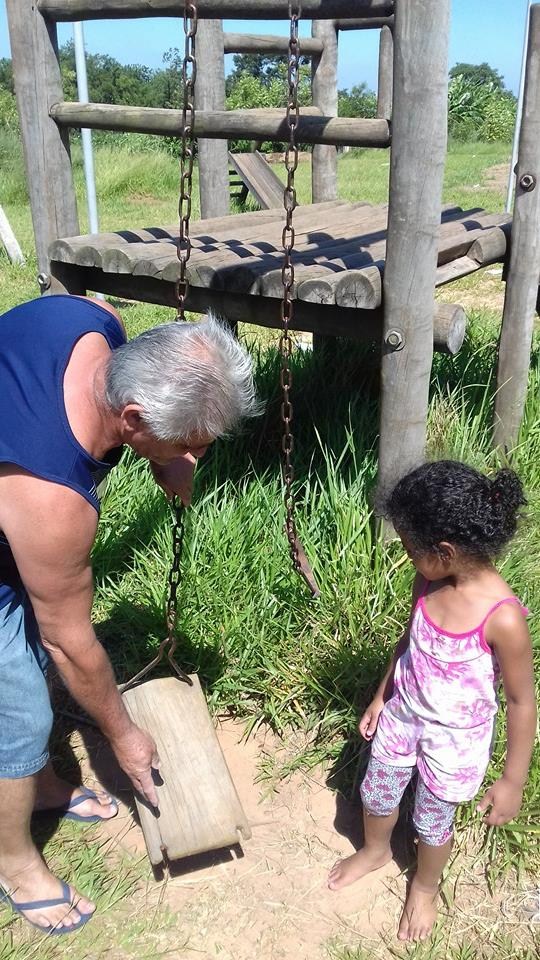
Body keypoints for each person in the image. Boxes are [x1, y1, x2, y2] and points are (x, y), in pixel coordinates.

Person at [0, 294, 256, 934]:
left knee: (34, 648)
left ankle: (44, 787)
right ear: (135, 416)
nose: (192, 453)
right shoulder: (55, 500)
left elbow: (96, 299)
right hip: (18, 515)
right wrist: (122, 735)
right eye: (187, 441)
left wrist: (168, 456)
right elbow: (70, 641)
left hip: (14, 508)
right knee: (22, 704)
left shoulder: (94, 326)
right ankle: (14, 861)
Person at [328, 461, 536, 942]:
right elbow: (408, 641)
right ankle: (376, 850)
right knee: (377, 792)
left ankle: (424, 883)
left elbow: (522, 701)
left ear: (443, 551)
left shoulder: (503, 619)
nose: (406, 556)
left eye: (408, 548)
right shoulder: (429, 581)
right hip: (404, 716)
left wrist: (513, 780)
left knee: (432, 819)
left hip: (455, 741)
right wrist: (382, 696)